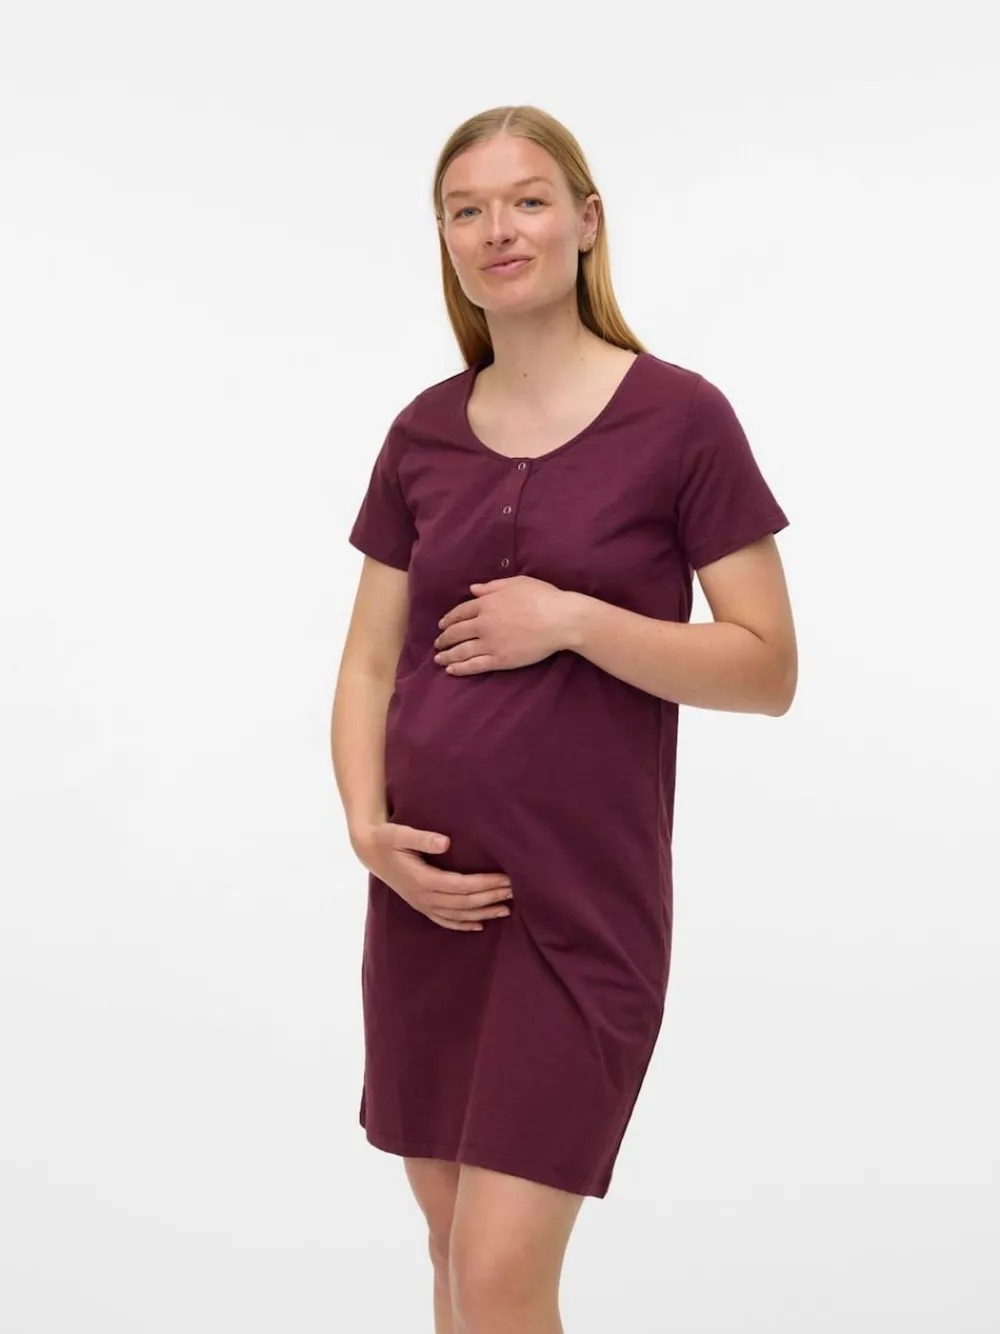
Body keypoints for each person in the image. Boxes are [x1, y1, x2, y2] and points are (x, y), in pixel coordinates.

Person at [331, 104, 797, 1334]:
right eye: (467, 209)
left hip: (579, 908)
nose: (499, 229)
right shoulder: (421, 431)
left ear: (586, 222)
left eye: (528, 200)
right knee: (449, 1252)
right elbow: (368, 663)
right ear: (444, 236)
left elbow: (766, 666)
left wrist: (576, 619)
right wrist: (369, 832)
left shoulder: (681, 418)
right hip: (429, 902)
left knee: (497, 1269)